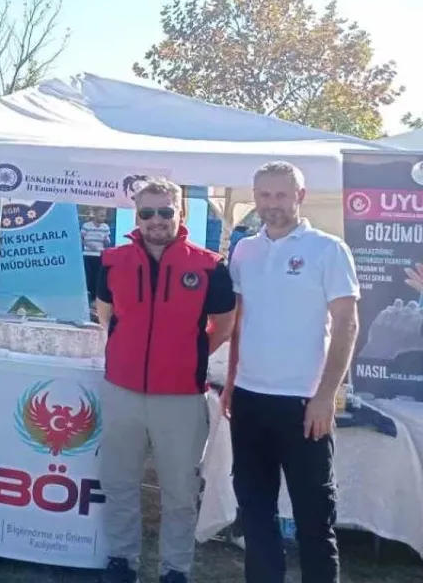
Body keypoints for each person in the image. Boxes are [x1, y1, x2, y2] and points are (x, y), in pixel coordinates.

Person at [94, 179, 236, 583]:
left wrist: (189, 355)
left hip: (180, 397)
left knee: (180, 491)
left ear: (181, 212)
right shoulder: (112, 261)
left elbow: (224, 324)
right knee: (119, 481)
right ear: (136, 217)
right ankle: (121, 559)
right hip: (122, 390)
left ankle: (175, 568)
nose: (156, 220)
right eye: (147, 212)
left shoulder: (209, 266)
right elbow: (106, 316)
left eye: (165, 211)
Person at [225, 161, 359, 583]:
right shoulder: (244, 250)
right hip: (249, 399)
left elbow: (347, 324)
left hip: (304, 402)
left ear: (300, 196)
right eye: (264, 195)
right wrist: (230, 384)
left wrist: (325, 396)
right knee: (255, 513)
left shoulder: (328, 249)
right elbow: (238, 322)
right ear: (254, 197)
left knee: (314, 518)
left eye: (282, 195)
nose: (273, 204)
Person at [81, 208, 112, 301]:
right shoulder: (86, 226)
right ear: (95, 214)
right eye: (101, 215)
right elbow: (80, 239)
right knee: (88, 277)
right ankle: (88, 296)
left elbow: (107, 242)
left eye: (104, 216)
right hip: (88, 255)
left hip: (99, 255)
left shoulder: (105, 227)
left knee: (98, 277)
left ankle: (96, 297)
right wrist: (88, 244)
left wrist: (107, 241)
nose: (103, 217)